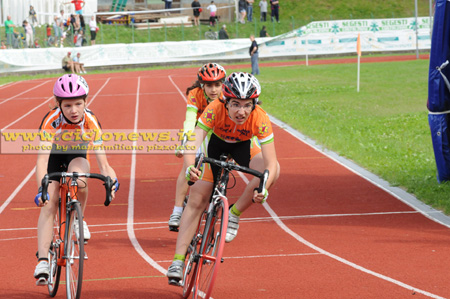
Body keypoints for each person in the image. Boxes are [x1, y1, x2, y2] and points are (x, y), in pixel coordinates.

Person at [166, 72, 279, 283]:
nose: (241, 111)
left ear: (254, 104)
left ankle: (234, 213)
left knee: (274, 171)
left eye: (247, 105)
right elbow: (193, 142)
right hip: (215, 147)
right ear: (226, 102)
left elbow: (271, 163)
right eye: (235, 104)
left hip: (243, 148)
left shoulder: (260, 118)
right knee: (198, 199)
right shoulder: (214, 108)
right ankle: (178, 260)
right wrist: (191, 167)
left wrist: (263, 187)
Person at [33, 74, 118, 285]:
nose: (74, 110)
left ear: (86, 102)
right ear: (58, 104)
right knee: (49, 203)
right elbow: (42, 161)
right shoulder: (51, 120)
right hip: (54, 155)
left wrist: (112, 182)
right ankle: (43, 260)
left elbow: (104, 164)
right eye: (68, 105)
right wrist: (41, 189)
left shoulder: (91, 121)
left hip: (77, 153)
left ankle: (79, 219)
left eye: (78, 104)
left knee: (80, 178)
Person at [168, 63, 227, 231]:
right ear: (202, 85)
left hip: (219, 132)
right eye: (209, 85)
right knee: (189, 164)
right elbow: (189, 119)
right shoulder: (195, 94)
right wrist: (185, 141)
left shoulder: (227, 96)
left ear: (222, 85)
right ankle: (177, 210)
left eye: (217, 85)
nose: (213, 89)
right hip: (199, 131)